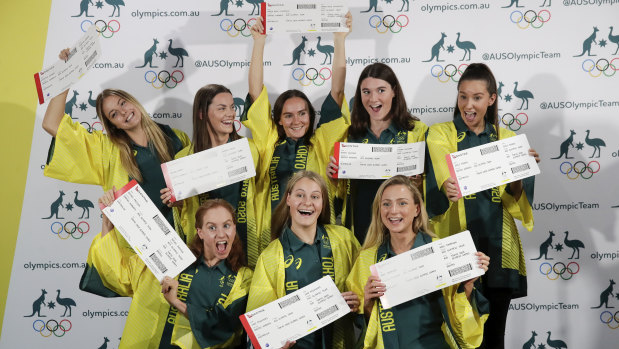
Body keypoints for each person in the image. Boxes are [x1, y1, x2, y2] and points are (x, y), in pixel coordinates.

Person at [424, 63, 540, 349]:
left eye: (476, 97)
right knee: (453, 336)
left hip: (499, 250)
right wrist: (446, 186)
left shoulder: (509, 140)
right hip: (453, 247)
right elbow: (442, 174)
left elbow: (516, 202)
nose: (468, 104)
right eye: (463, 96)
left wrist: (519, 174)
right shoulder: (440, 133)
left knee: (494, 338)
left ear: (491, 99)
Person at [42, 49, 190, 235]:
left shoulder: (176, 137)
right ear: (113, 125)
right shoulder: (106, 150)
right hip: (137, 251)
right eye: (114, 114)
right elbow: (51, 124)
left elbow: (198, 191)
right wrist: (66, 75)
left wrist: (182, 200)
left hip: (185, 243)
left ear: (131, 101)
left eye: (122, 103)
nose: (123, 112)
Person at [91, 192, 252, 349]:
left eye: (227, 225)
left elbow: (225, 326)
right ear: (200, 232)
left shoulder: (243, 278)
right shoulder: (170, 257)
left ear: (234, 228)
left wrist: (176, 303)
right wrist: (107, 223)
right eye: (212, 227)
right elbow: (118, 275)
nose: (221, 233)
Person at [345, 175, 489, 349]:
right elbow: (364, 325)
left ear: (417, 209)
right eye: (386, 204)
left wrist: (467, 286)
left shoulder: (442, 251)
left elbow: (459, 319)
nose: (393, 211)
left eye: (402, 203)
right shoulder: (366, 259)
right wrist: (368, 303)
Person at [244, 14, 352, 243]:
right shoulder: (269, 141)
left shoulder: (321, 141)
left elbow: (338, 92)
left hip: (317, 238)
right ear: (279, 120)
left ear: (311, 116)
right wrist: (259, 42)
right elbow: (255, 93)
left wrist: (339, 39)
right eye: (288, 115)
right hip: (271, 236)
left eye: (302, 113)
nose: (296, 121)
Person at [247, 171, 360, 349]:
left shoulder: (344, 239)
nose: (307, 202)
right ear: (288, 199)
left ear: (323, 203)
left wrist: (358, 302)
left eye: (315, 196)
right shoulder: (269, 257)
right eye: (300, 195)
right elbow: (259, 326)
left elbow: (364, 292)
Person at [160, 84, 262, 266]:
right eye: (222, 108)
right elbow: (186, 215)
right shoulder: (183, 159)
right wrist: (178, 203)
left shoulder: (249, 149)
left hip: (245, 243)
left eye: (232, 107)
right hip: (204, 252)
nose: (230, 113)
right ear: (202, 113)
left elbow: (262, 197)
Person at [327, 63, 428, 245]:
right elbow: (341, 194)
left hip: (403, 230)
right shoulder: (348, 134)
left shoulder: (417, 132)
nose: (373, 98)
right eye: (366, 92)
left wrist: (420, 184)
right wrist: (334, 179)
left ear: (394, 91)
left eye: (381, 90)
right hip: (360, 227)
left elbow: (430, 190)